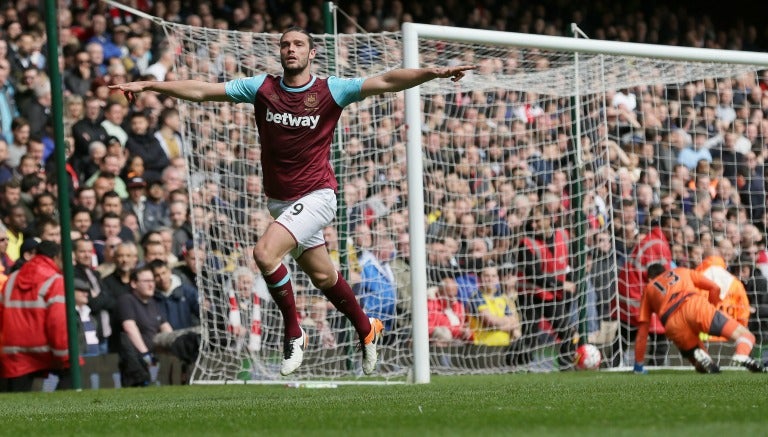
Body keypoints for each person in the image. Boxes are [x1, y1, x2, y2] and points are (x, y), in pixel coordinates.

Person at [110, 26, 473, 376]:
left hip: (318, 195)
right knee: (322, 275)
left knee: (265, 254)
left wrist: (433, 72)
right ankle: (367, 328)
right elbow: (203, 91)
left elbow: (387, 81)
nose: (291, 49)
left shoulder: (332, 89)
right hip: (281, 202)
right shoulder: (262, 87)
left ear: (312, 52)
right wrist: (151, 84)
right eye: (286, 45)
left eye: (298, 44)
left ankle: (294, 333)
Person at [635, 264, 766, 374]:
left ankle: (701, 356)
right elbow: (714, 287)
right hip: (695, 306)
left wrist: (639, 364)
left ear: (650, 278)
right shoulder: (681, 271)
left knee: (704, 366)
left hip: (672, 322)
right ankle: (742, 355)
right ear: (666, 270)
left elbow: (642, 332)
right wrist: (712, 308)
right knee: (746, 335)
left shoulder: (649, 289)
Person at [0, 241, 79, 391]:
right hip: (43, 348)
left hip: (13, 350)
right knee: (72, 375)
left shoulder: (12, 278)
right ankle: (59, 412)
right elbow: (58, 322)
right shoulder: (56, 280)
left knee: (15, 404)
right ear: (56, 258)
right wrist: (65, 355)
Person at [116, 265, 173, 387]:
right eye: (146, 281)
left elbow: (165, 327)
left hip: (153, 357)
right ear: (134, 284)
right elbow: (129, 327)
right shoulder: (126, 300)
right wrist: (145, 355)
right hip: (135, 360)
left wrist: (174, 344)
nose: (151, 285)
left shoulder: (153, 303)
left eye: (152, 281)